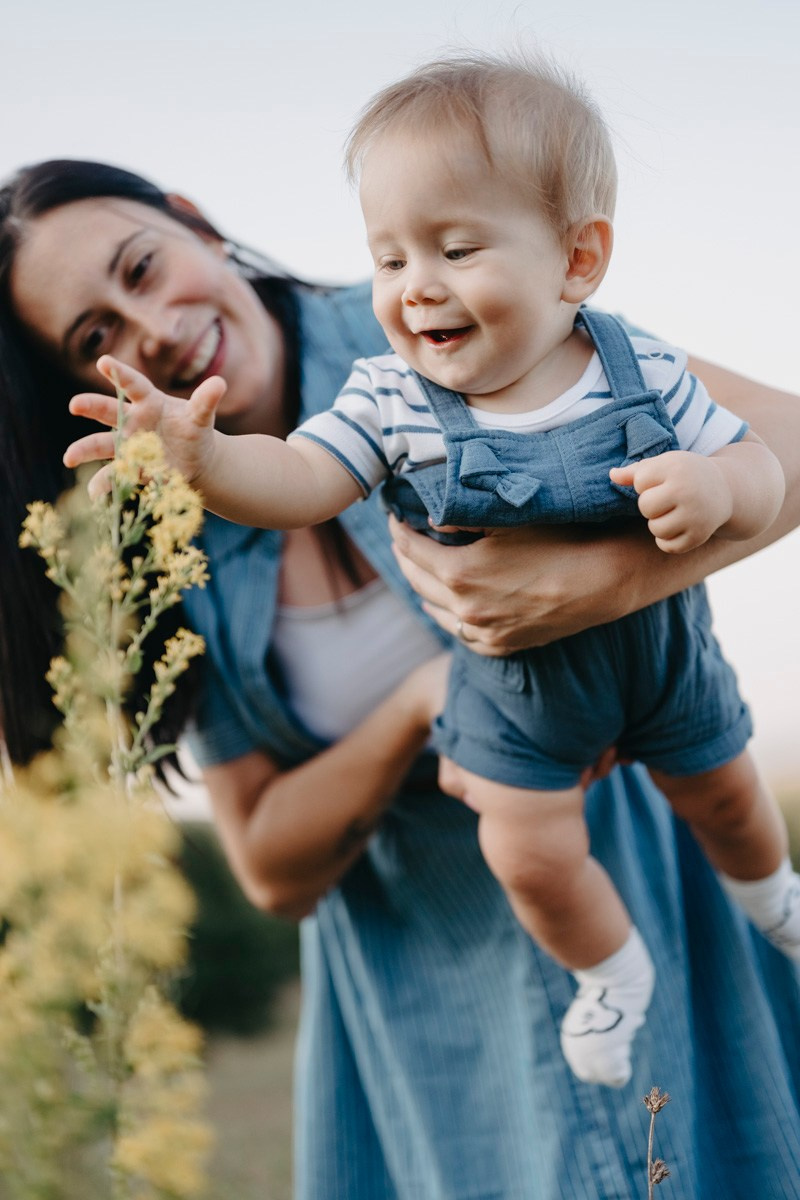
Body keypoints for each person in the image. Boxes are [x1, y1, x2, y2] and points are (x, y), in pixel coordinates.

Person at [2, 154, 800, 1197]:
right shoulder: (167, 529)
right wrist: (427, 705)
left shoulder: (446, 333)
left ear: (194, 222)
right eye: (94, 337)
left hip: (648, 890)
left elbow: (779, 441)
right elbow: (270, 869)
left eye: (142, 268)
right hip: (428, 1003)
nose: (144, 327)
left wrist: (590, 585)